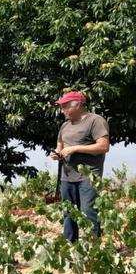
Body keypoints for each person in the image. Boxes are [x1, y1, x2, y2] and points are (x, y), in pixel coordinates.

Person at [49, 91, 110, 242]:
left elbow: (103, 146)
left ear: (78, 105)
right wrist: (56, 153)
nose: (62, 110)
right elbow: (60, 146)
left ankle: (93, 246)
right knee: (68, 212)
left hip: (88, 176)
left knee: (88, 211)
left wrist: (75, 148)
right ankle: (71, 245)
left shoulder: (96, 121)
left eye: (65, 107)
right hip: (67, 176)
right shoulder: (64, 126)